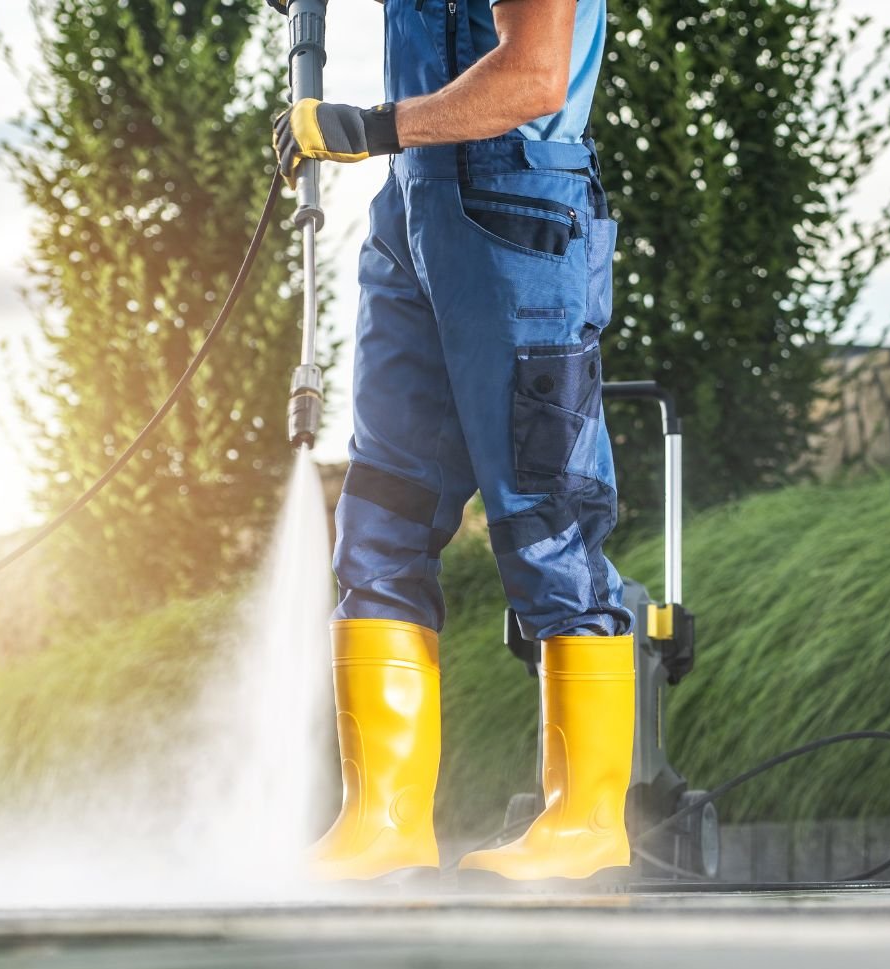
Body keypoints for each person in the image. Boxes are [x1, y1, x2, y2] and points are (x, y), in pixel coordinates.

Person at [268, 0, 632, 887]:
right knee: (380, 522)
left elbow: (532, 77)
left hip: (519, 210)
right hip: (413, 214)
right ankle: (380, 822)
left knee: (548, 519)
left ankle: (587, 822)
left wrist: (368, 126)